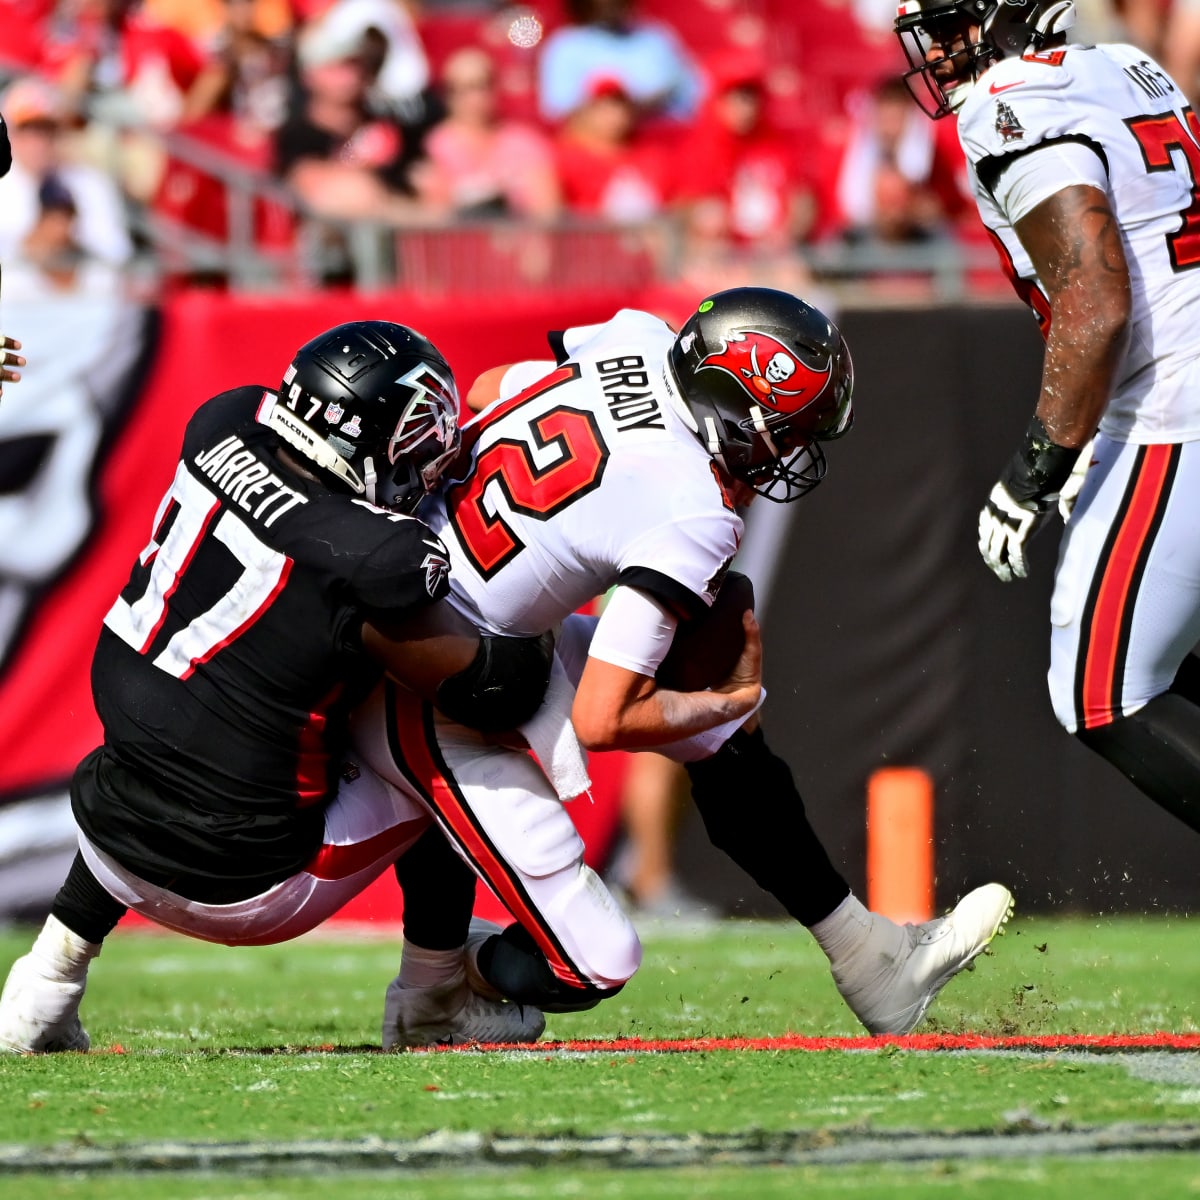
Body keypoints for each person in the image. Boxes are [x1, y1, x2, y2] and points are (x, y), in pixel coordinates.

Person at [353, 286, 1014, 1034]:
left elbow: (486, 389)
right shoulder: (689, 505)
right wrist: (726, 704)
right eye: (786, 432)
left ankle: (869, 958)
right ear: (736, 408)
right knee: (600, 948)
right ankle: (437, 991)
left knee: (718, 722)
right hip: (431, 679)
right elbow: (606, 718)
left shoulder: (635, 339)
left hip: (452, 622)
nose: (790, 453)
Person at [0, 320, 555, 1055]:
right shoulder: (379, 553)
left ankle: (47, 981)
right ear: (375, 434)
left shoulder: (225, 419)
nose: (432, 451)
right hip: (249, 883)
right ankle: (434, 995)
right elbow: (499, 691)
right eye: (421, 429)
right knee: (435, 741)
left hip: (105, 818)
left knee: (181, 730)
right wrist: (543, 607)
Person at [894, 2, 1200, 833]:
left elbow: (1097, 305)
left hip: (1175, 408)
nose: (939, 49)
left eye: (953, 24)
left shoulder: (1013, 106)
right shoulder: (1132, 69)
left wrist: (1036, 469)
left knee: (1101, 693)